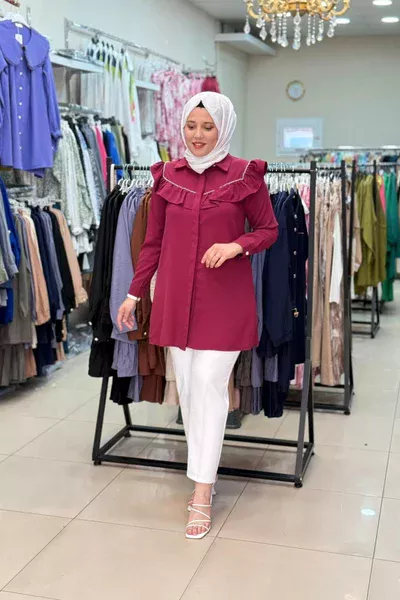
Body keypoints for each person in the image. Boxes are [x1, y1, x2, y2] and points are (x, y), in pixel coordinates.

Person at [117, 91, 278, 540]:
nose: (198, 135)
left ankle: (202, 492)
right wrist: (132, 294)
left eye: (208, 127)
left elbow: (269, 230)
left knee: (208, 384)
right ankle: (202, 473)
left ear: (223, 128)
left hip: (225, 300)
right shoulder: (167, 176)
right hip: (174, 300)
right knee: (188, 390)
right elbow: (152, 243)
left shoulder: (246, 175)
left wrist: (236, 245)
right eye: (191, 126)